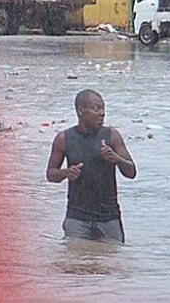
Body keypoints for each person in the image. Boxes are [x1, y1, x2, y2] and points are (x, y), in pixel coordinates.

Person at [46, 89, 137, 243]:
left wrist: (116, 159)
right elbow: (50, 174)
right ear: (81, 111)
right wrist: (66, 173)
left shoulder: (112, 136)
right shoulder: (64, 138)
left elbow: (131, 172)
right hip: (77, 216)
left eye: (103, 109)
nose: (102, 113)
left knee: (111, 262)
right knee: (75, 263)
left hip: (109, 217)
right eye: (96, 109)